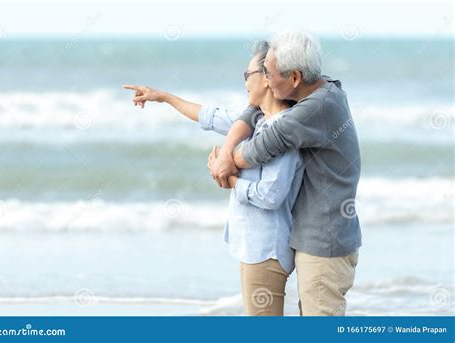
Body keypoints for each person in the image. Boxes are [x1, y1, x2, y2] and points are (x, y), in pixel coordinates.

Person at [124, 41, 303, 315]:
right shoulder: (257, 121)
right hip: (253, 246)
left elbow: (271, 195)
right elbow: (210, 116)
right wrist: (164, 97)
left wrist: (230, 180)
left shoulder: (282, 130)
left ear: (267, 78)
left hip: (266, 249)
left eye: (248, 75)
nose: (244, 82)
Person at [208, 31, 362, 316]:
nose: (265, 78)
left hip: (324, 243)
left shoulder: (313, 109)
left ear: (294, 78)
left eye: (269, 72)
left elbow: (260, 147)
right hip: (319, 239)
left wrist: (226, 166)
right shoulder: (319, 87)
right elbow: (253, 110)